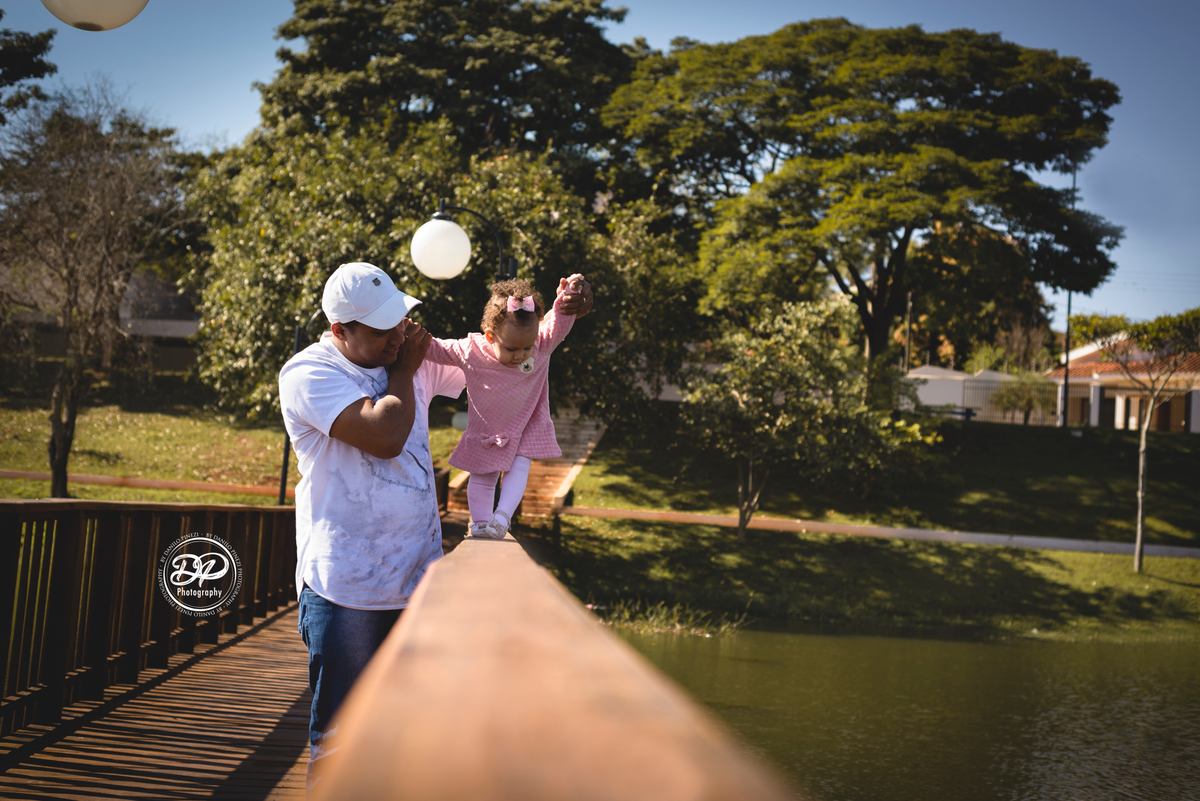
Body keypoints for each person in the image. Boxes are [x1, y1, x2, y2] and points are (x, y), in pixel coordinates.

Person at [279, 262, 592, 793]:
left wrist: (557, 320)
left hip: (419, 583)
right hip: (346, 590)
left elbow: (496, 360)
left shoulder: (408, 353)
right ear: (340, 331)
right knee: (341, 740)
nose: (400, 334)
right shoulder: (311, 373)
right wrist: (406, 369)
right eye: (382, 328)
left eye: (401, 320)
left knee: (407, 742)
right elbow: (385, 434)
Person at [423, 274, 586, 539]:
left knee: (519, 466)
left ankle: (502, 518)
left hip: (527, 423)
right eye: (512, 348)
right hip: (488, 429)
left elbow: (559, 323)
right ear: (489, 336)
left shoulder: (541, 345)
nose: (521, 355)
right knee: (482, 476)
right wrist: (408, 335)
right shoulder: (472, 350)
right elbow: (437, 349)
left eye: (527, 347)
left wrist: (567, 298)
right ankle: (480, 522)